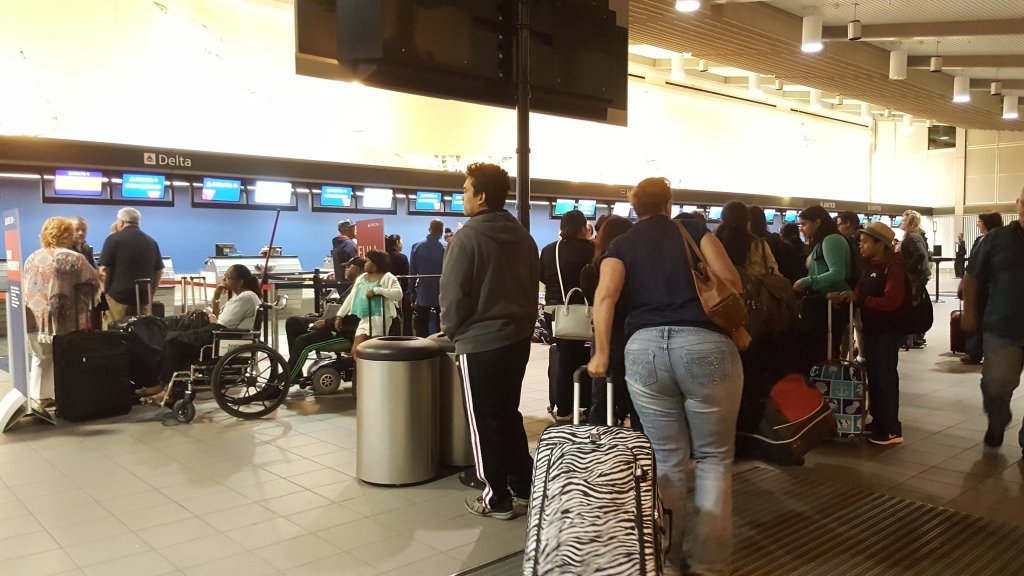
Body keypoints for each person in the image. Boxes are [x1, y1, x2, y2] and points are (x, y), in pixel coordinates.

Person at [589, 177, 743, 575]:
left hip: (643, 351)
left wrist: (603, 353)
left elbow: (605, 296)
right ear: (669, 203)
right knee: (712, 458)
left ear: (635, 209)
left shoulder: (620, 245)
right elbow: (732, 284)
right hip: (704, 344)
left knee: (667, 459)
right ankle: (710, 565)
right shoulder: (692, 230)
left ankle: (668, 561)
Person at [440, 162, 538, 520]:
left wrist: (453, 333)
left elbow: (452, 296)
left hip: (479, 342)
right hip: (517, 341)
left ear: (481, 197)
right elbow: (532, 289)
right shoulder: (524, 237)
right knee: (507, 414)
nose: (462, 196)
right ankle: (523, 485)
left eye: (465, 190)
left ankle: (495, 498)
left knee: (484, 421)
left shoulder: (467, 237)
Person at [829, 222, 908, 445]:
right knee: (874, 377)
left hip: (886, 331)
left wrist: (863, 300)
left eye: (865, 242)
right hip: (872, 330)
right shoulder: (873, 266)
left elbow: (892, 300)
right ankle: (879, 421)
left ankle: (892, 429)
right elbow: (859, 291)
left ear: (880, 245)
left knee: (885, 379)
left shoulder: (894, 268)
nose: (860, 246)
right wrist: (847, 296)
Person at [138, 264, 263, 400]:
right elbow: (218, 318)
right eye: (225, 276)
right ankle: (166, 386)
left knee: (174, 338)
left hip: (222, 338)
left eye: (228, 277)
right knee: (174, 335)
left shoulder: (246, 297)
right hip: (220, 334)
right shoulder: (241, 297)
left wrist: (211, 317)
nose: (224, 280)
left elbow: (219, 323)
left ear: (240, 282)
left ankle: (163, 386)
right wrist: (216, 297)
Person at [962, 188, 1024, 452]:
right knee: (995, 385)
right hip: (1002, 329)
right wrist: (969, 313)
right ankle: (998, 418)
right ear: (1019, 203)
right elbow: (972, 277)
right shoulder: (997, 239)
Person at [23, 217, 101, 408]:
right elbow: (92, 288)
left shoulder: (32, 257)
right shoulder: (74, 258)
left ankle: (40, 397)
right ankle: (65, 396)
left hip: (35, 318)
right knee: (65, 359)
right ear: (67, 234)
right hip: (64, 319)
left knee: (40, 358)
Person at [579, 215, 638, 429]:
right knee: (638, 396)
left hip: (604, 336)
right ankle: (639, 443)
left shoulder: (590, 271)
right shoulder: (636, 271)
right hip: (636, 336)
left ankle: (599, 444)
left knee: (601, 395)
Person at [539, 209, 594, 422]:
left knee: (565, 360)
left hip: (558, 312)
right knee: (593, 357)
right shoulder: (591, 250)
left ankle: (563, 409)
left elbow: (542, 276)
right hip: (589, 312)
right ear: (582, 228)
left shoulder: (549, 250)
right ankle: (591, 406)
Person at [285, 257, 365, 376]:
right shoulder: (353, 287)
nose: (345, 269)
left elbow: (352, 319)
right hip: (333, 322)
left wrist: (326, 323)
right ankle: (295, 372)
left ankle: (286, 379)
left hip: (344, 331)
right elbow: (339, 308)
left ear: (357, 269)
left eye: (348, 267)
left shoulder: (361, 290)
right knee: (293, 322)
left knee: (302, 341)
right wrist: (320, 315)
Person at [795, 205, 852, 367]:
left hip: (833, 304)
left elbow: (837, 273)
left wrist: (806, 282)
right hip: (825, 302)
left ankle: (826, 385)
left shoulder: (832, 239)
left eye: (805, 224)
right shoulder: (822, 241)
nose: (802, 229)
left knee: (825, 350)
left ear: (818, 222)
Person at [98, 207, 164, 327]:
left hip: (118, 298)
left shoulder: (114, 239)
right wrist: (150, 294)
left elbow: (104, 270)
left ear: (121, 222)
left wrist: (105, 292)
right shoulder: (151, 241)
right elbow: (159, 271)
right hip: (143, 299)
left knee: (115, 334)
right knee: (142, 335)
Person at [335, 249, 402, 358]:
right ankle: (361, 372)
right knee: (358, 351)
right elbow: (352, 296)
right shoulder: (361, 278)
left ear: (375, 264)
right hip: (364, 317)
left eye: (367, 261)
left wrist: (378, 290)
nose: (365, 264)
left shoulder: (388, 277)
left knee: (367, 350)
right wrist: (340, 315)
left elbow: (398, 294)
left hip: (380, 317)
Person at [962, 213, 1004, 364]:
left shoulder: (992, 241)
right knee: (978, 316)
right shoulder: (980, 240)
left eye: (979, 221)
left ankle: (980, 351)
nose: (978, 224)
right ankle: (975, 352)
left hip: (989, 287)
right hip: (982, 287)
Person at [898, 210, 931, 348]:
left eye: (904, 220)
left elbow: (920, 255)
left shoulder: (912, 238)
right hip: (915, 277)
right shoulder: (914, 237)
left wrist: (907, 270)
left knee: (914, 306)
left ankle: (915, 337)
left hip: (914, 278)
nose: (901, 223)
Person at [749, 205, 806, 284]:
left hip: (763, 292)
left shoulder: (755, 246)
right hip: (784, 290)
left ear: (748, 223)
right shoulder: (781, 244)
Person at [409, 219, 446, 336]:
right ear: (442, 231)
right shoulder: (448, 247)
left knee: (422, 323)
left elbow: (412, 274)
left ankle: (422, 348)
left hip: (423, 293)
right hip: (443, 292)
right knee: (442, 324)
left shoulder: (416, 247)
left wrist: (411, 292)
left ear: (429, 230)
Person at [386, 234, 412, 336]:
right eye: (401, 242)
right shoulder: (402, 257)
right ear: (397, 242)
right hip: (400, 293)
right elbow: (406, 278)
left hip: (387, 292)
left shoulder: (384, 257)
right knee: (405, 316)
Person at [331, 220, 358, 288]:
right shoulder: (349, 245)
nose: (356, 230)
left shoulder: (337, 243)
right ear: (348, 229)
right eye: (354, 228)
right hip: (349, 284)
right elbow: (356, 265)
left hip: (341, 283)